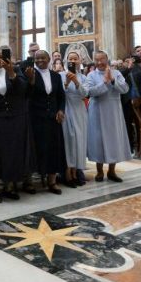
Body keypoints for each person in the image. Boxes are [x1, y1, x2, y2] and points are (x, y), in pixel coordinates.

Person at [0, 46, 34, 202]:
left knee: (12, 153)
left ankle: (9, 187)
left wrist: (11, 73)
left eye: (0, 56)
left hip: (16, 118)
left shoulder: (16, 71)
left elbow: (23, 91)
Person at [25, 50, 67, 194]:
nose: (40, 61)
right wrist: (30, 82)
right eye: (37, 58)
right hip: (35, 118)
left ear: (49, 59)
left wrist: (61, 110)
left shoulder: (55, 76)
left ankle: (52, 181)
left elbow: (61, 96)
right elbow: (26, 96)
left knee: (53, 149)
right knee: (34, 149)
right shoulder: (30, 74)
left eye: (43, 58)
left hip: (53, 118)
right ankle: (29, 182)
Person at [87, 50, 131, 182]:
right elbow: (90, 92)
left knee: (114, 140)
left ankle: (112, 171)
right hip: (97, 111)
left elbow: (125, 89)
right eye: (97, 60)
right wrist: (104, 83)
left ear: (107, 59)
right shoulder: (91, 75)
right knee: (98, 141)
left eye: (102, 59)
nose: (100, 62)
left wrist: (112, 81)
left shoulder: (116, 73)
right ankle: (99, 171)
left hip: (113, 112)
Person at [60, 51, 90, 187]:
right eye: (70, 59)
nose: (73, 61)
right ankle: (67, 172)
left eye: (75, 59)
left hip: (79, 110)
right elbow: (59, 94)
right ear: (66, 61)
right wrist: (66, 82)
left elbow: (85, 94)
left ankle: (77, 170)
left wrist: (76, 81)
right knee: (69, 139)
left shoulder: (83, 77)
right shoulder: (60, 75)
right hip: (67, 109)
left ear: (79, 61)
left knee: (79, 139)